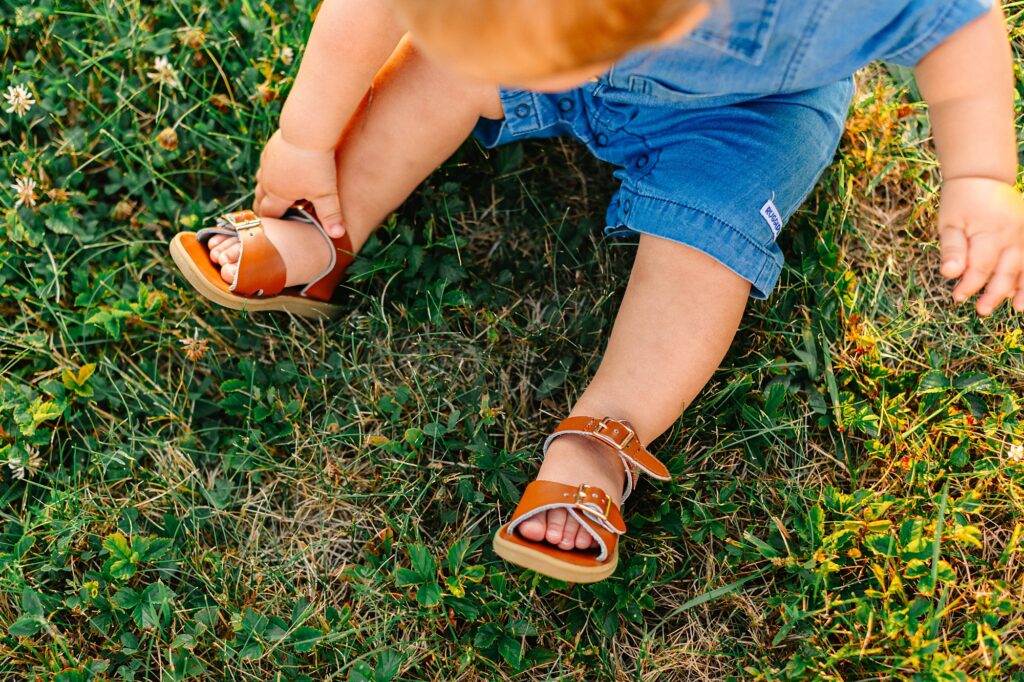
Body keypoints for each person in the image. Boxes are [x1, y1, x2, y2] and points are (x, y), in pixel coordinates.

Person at [170, 0, 1023, 583]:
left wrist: (981, 174)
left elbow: (962, 27)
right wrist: (304, 134)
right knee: (439, 65)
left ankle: (603, 436)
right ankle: (326, 227)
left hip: (749, 108)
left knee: (706, 232)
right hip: (568, 36)